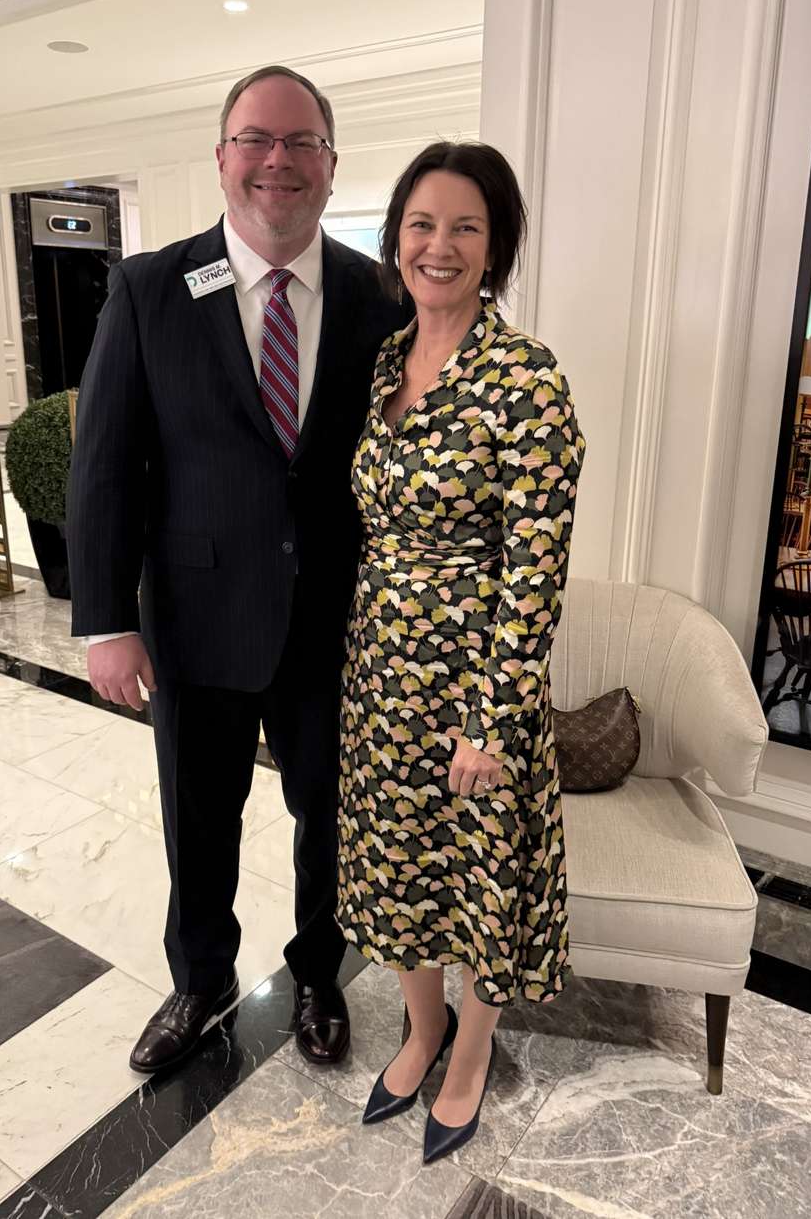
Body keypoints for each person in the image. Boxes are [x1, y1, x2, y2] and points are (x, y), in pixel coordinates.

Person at [68, 66, 405, 1074]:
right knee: (199, 817)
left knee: (331, 819)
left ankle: (317, 974)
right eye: (256, 139)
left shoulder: (380, 296)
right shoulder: (148, 289)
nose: (277, 160)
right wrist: (105, 621)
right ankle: (201, 980)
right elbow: (105, 465)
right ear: (222, 159)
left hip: (338, 624)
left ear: (331, 164)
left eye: (301, 142)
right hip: (196, 614)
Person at [337, 142, 585, 1164]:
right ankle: (423, 1027)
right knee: (398, 863)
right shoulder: (383, 363)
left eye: (466, 227)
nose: (439, 246)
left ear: (496, 249)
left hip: (476, 685)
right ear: (396, 237)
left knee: (482, 876)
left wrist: (493, 719)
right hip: (379, 673)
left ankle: (471, 1052)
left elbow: (535, 568)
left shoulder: (526, 378)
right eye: (422, 224)